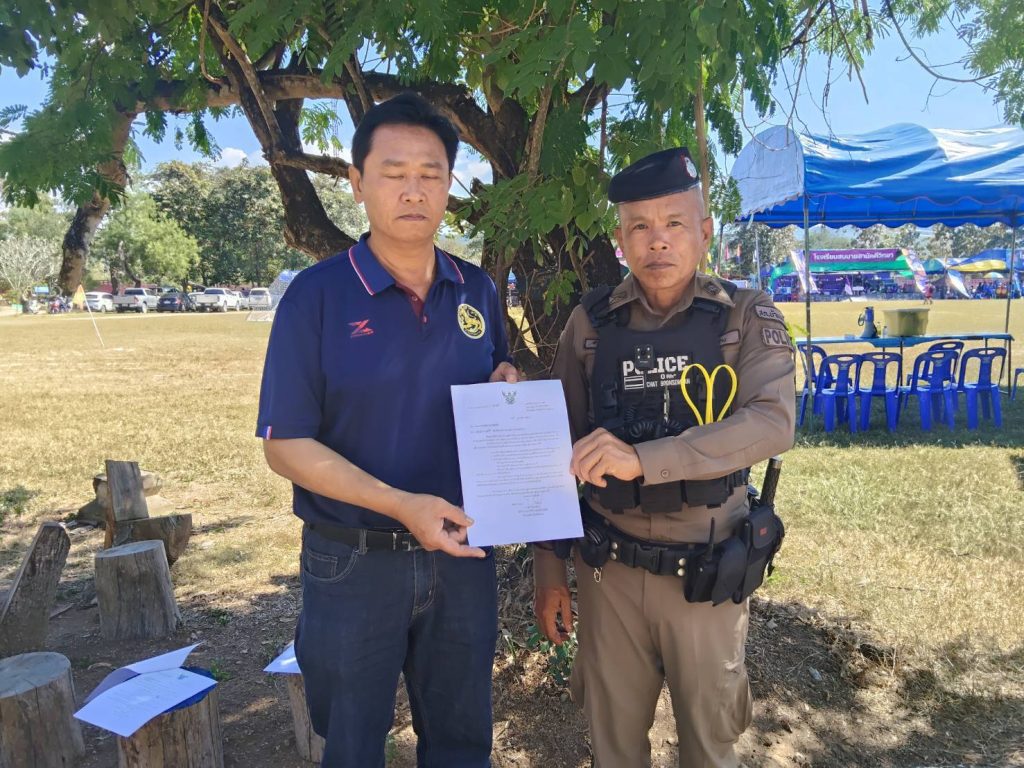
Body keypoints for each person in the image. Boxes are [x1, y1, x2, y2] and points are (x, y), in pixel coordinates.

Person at [257, 92, 519, 767]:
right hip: (353, 562)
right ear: (356, 182)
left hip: (463, 554)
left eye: (430, 174)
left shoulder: (477, 290)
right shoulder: (316, 296)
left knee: (462, 740)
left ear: (449, 185)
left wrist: (505, 387)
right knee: (351, 744)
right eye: (393, 172)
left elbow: (492, 380)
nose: (413, 190)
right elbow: (286, 445)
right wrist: (402, 506)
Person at [534, 147, 796, 767]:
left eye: (675, 223)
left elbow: (772, 422)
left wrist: (644, 458)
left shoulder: (744, 315)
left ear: (704, 230)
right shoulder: (590, 325)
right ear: (620, 240)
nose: (658, 241)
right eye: (640, 227)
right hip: (609, 577)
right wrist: (548, 569)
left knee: (709, 747)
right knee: (614, 748)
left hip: (707, 571)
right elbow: (554, 447)